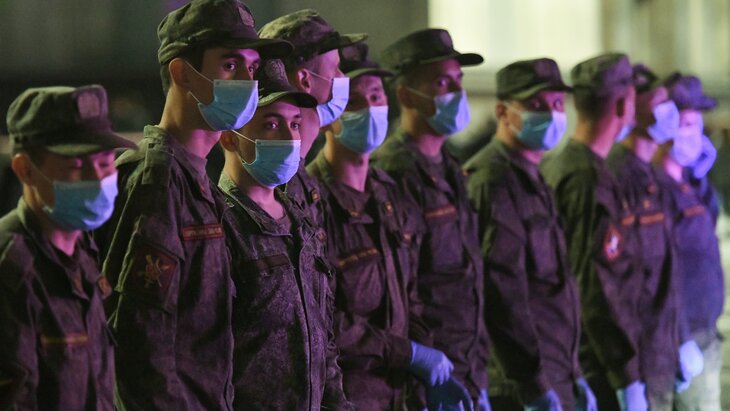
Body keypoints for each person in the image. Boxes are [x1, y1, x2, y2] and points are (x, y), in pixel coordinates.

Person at [97, 1, 291, 409]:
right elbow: (139, 344)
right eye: (230, 65)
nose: (248, 82)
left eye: (253, 68)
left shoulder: (195, 179)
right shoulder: (157, 180)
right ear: (183, 72)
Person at [308, 42, 471, 410]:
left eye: (376, 97)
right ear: (329, 114)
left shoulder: (387, 194)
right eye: (353, 102)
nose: (370, 110)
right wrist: (408, 353)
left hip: (400, 395)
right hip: (352, 396)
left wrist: (426, 364)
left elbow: (410, 294)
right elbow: (322, 317)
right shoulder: (314, 200)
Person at [218, 58, 350, 410]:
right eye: (271, 124)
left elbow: (323, 338)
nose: (290, 138)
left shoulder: (300, 220)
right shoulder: (220, 225)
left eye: (294, 124)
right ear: (229, 137)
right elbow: (205, 357)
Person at [465, 58, 596, 411]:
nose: (551, 114)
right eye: (536, 105)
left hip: (555, 372)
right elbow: (501, 293)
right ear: (502, 112)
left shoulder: (533, 176)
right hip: (520, 386)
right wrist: (533, 384)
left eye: (557, 104)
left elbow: (554, 290)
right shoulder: (493, 180)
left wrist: (574, 372)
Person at [372, 28, 490, 410]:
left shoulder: (450, 166)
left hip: (468, 367)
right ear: (406, 95)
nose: (456, 92)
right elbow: (404, 290)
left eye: (459, 80)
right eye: (442, 82)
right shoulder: (394, 172)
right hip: (428, 376)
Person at [0, 85, 136, 409]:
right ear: (25, 170)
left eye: (105, 163)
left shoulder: (83, 252)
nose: (96, 178)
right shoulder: (11, 268)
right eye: (76, 166)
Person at [540, 53, 647, 411]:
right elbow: (597, 286)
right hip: (595, 364)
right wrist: (626, 375)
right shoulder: (588, 180)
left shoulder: (560, 165)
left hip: (575, 356)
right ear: (622, 106)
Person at [604, 64, 681, 410]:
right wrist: (627, 374)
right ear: (634, 108)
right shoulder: (618, 175)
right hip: (637, 359)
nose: (670, 112)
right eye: (660, 103)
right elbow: (614, 284)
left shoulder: (650, 174)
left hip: (659, 354)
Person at [259, 9, 366, 227]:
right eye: (335, 68)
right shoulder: (280, 181)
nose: (342, 77)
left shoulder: (298, 177)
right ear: (304, 80)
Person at [658, 73, 725, 411]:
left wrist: (699, 177)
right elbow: (657, 270)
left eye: (697, 125)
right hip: (677, 338)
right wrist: (681, 337)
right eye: (685, 124)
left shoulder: (690, 184)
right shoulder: (653, 190)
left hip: (704, 335)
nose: (693, 134)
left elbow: (709, 225)